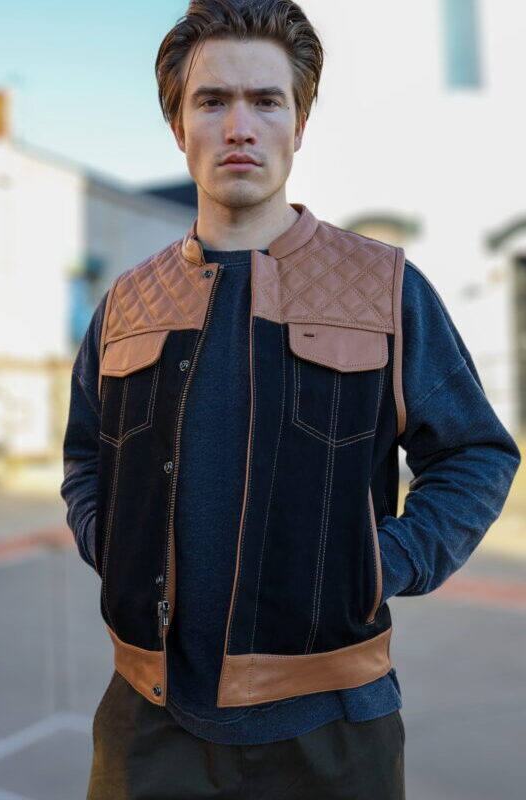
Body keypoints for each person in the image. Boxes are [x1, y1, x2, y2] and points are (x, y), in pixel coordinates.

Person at [60, 1, 521, 797]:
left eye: (266, 101)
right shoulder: (126, 305)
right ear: (180, 128)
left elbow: (476, 452)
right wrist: (111, 542)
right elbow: (84, 455)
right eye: (213, 101)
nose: (240, 125)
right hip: (144, 727)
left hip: (333, 732)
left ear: (299, 124)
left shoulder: (385, 287)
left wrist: (386, 563)